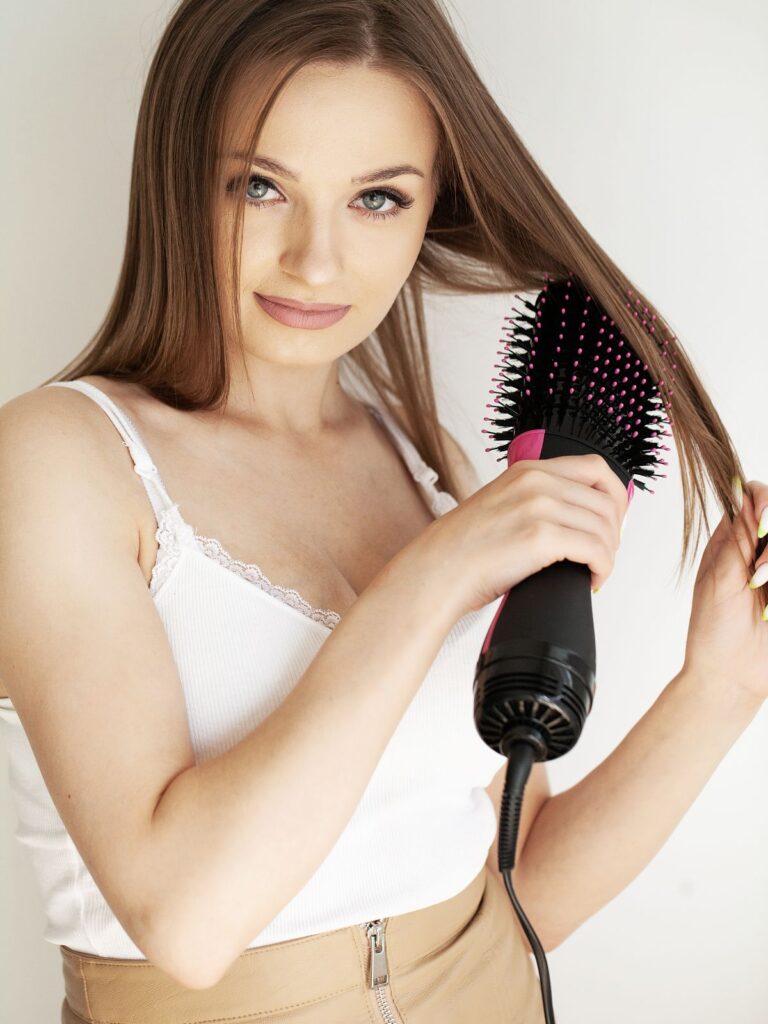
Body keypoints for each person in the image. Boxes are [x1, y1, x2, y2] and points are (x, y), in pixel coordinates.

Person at [1, 1, 766, 1022]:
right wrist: (439, 569)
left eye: (377, 199)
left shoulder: (420, 464)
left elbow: (523, 883)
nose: (316, 261)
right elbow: (185, 921)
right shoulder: (59, 462)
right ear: (180, 180)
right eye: (261, 186)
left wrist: (720, 687)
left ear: (429, 207)